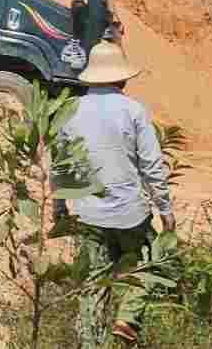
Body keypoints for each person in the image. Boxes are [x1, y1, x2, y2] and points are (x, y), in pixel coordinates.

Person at [55, 41, 174, 347]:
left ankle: (89, 342)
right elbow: (151, 165)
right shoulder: (133, 111)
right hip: (129, 214)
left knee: (94, 281)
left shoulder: (71, 110)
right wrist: (165, 210)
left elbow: (62, 164)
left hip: (88, 214)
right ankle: (128, 318)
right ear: (122, 77)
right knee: (150, 260)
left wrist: (60, 208)